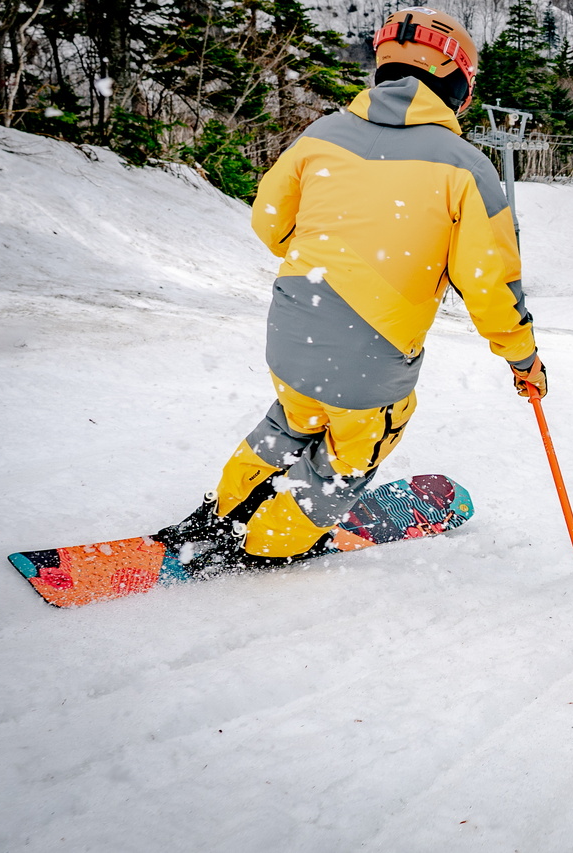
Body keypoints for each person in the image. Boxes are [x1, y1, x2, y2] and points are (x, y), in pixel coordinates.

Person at [156, 7, 545, 571]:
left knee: (291, 420)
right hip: (372, 350)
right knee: (350, 451)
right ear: (457, 81)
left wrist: (327, 246)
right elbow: (490, 287)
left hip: (293, 322)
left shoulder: (321, 135)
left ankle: (224, 512)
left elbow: (269, 222)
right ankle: (274, 541)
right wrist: (522, 358)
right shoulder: (464, 167)